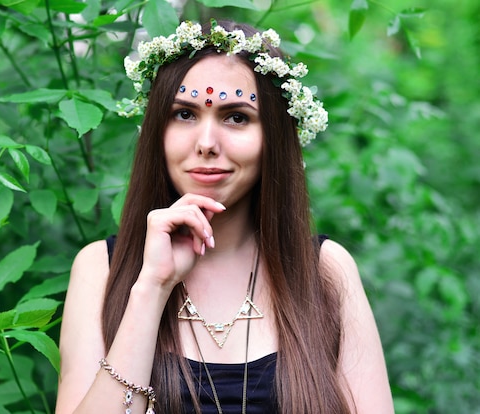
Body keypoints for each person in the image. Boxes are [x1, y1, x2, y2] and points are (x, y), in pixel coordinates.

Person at [55, 19, 393, 414]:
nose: (207, 144)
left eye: (236, 117)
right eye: (184, 114)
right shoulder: (101, 268)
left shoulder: (324, 270)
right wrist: (151, 289)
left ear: (274, 137)